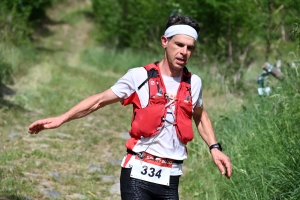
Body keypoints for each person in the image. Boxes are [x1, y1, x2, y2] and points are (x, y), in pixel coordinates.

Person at [28, 14, 232, 200]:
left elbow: (199, 114)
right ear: (164, 41)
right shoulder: (139, 76)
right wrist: (61, 119)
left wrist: (214, 148)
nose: (184, 52)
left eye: (190, 48)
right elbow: (98, 100)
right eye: (179, 45)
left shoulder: (194, 83)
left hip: (171, 177)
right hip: (137, 172)